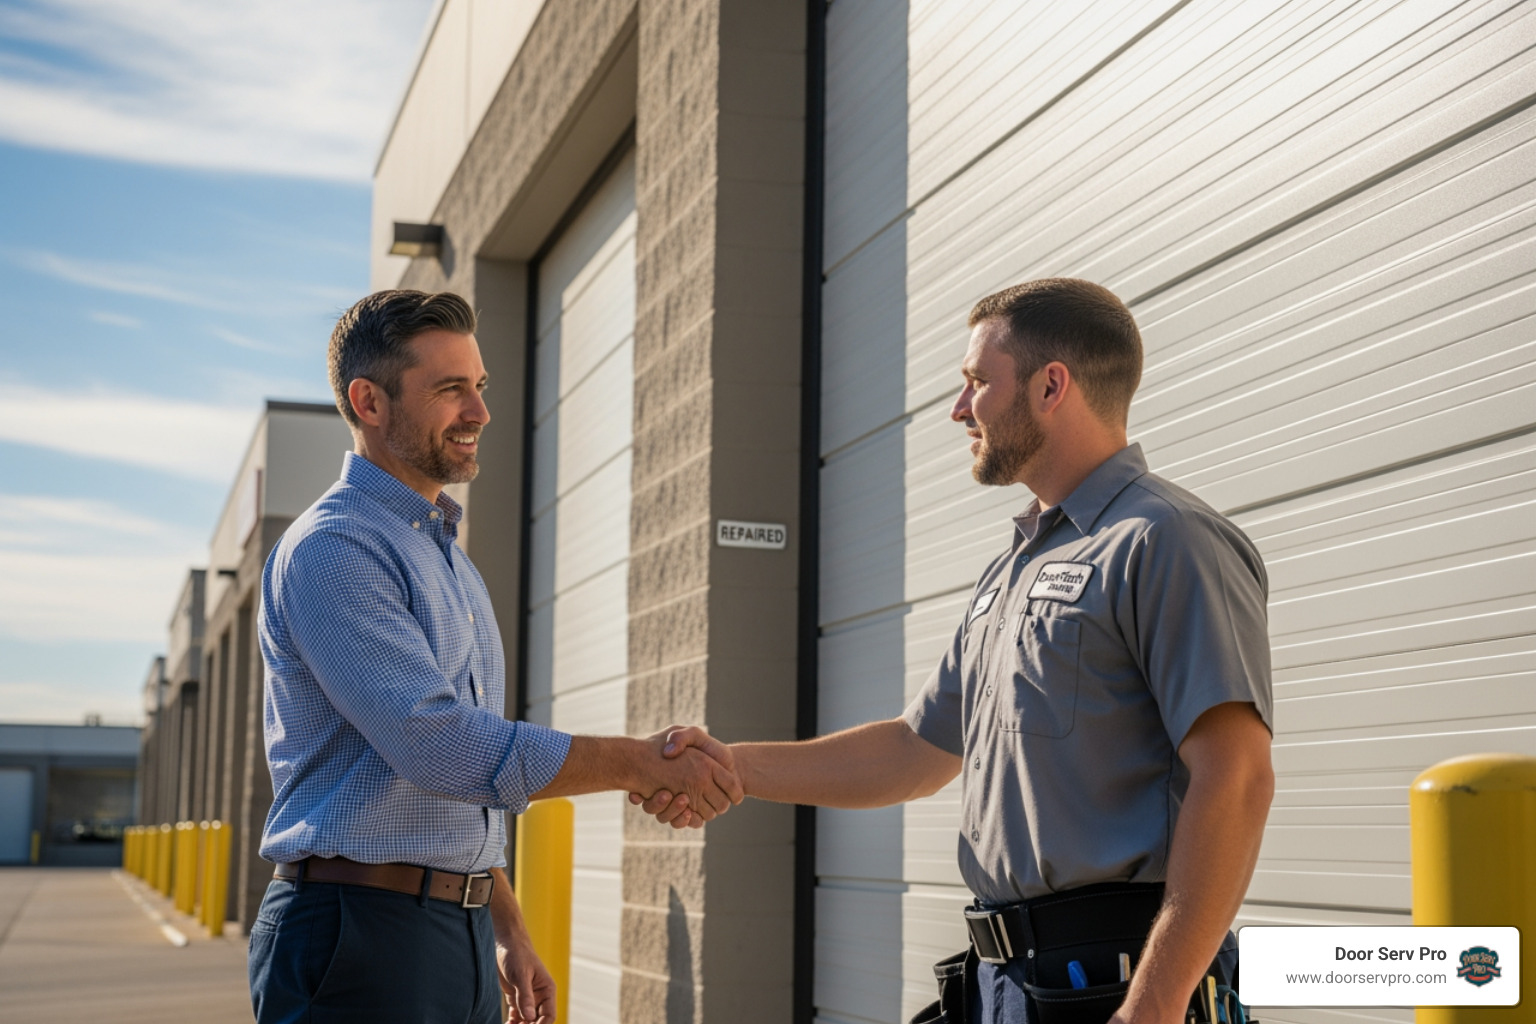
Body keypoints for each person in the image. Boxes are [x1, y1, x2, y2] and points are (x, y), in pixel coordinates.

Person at [642, 279, 1275, 1024]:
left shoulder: (1168, 540)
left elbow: (1238, 776)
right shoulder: (1012, 570)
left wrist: (1156, 1004)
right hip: (1006, 983)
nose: (959, 408)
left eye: (977, 381)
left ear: (1051, 386)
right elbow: (913, 752)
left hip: (1117, 982)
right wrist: (731, 768)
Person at [249, 289, 739, 1024]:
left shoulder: (446, 558)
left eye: (479, 386)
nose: (479, 411)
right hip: (358, 937)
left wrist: (504, 925)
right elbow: (438, 746)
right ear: (368, 402)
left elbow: (461, 783)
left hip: (455, 932)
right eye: (450, 389)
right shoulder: (336, 548)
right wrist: (638, 763)